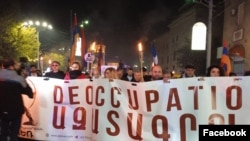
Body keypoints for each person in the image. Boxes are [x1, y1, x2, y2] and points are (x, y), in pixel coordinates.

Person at [0, 58, 33, 141]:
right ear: (12, 66)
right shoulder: (19, 79)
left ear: (3, 65)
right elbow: (29, 93)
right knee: (14, 134)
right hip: (16, 109)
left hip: (1, 108)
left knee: (3, 133)